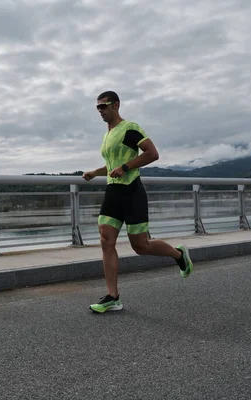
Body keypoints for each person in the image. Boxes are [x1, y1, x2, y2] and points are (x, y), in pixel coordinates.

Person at [82, 91, 193, 313]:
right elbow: (114, 163)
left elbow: (152, 154)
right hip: (113, 192)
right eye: (98, 107)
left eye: (104, 106)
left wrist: (125, 168)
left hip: (132, 192)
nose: (100, 111)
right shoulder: (108, 135)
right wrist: (96, 171)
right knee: (106, 240)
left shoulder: (129, 128)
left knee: (140, 246)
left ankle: (179, 255)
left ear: (116, 105)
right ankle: (113, 297)